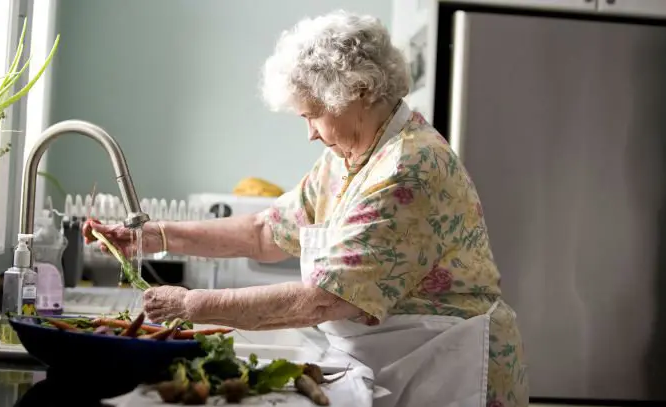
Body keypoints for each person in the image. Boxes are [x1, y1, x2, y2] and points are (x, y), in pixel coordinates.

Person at [84, 10, 528, 407]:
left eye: (312, 114)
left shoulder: (408, 168)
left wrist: (191, 305)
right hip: (396, 359)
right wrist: (155, 236)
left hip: (448, 367)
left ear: (357, 91)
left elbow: (324, 301)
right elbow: (265, 232)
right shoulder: (348, 158)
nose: (310, 133)